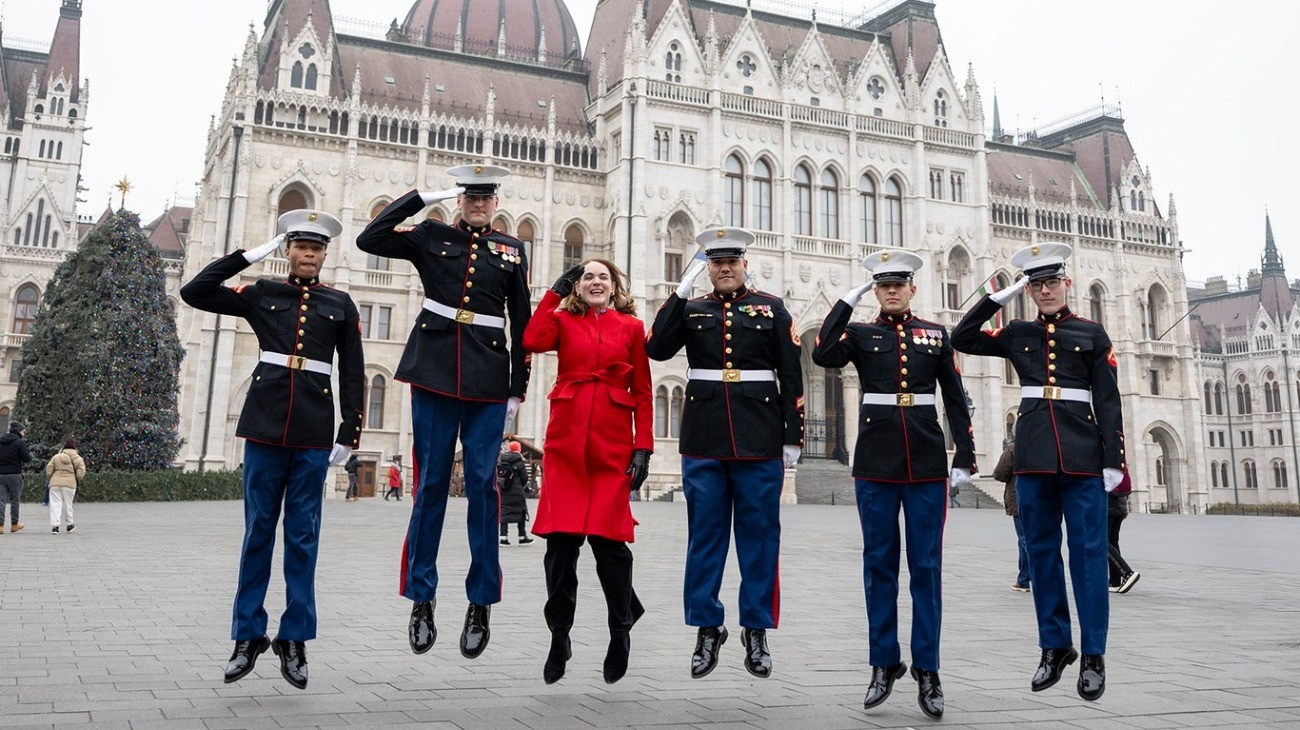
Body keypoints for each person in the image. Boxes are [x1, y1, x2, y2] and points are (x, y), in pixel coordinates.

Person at [180, 209, 364, 690]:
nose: (309, 254)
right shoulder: (262, 293)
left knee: (303, 538)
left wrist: (350, 432)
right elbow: (194, 291)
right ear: (287, 251)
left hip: (313, 432)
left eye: (317, 248)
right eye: (300, 246)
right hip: (263, 426)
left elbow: (354, 371)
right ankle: (247, 636)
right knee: (257, 533)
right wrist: (250, 254)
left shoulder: (341, 304)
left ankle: (295, 638)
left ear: (325, 254)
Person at [357, 163, 532, 661]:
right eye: (469, 196)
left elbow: (521, 321)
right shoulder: (430, 234)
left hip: (487, 380)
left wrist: (517, 388)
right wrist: (422, 195)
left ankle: (481, 603)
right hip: (433, 370)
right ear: (459, 201)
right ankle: (421, 597)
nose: (478, 204)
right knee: (429, 483)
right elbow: (371, 238)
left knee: (483, 486)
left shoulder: (513, 251)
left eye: (485, 197)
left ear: (495, 203)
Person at [952, 242, 1125, 702]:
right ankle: (1054, 646)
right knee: (1043, 556)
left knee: (1088, 557)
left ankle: (1093, 655)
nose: (1045, 291)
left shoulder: (1092, 333)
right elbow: (962, 337)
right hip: (1032, 458)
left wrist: (1113, 462)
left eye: (1051, 282)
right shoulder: (1018, 332)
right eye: (1037, 284)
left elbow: (1108, 401)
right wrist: (1000, 297)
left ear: (1066, 284)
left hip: (1083, 459)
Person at [811, 250, 974, 720]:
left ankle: (929, 670)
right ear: (876, 291)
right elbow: (822, 352)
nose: (892, 291)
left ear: (912, 289)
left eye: (898, 284)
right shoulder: (860, 334)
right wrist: (846, 301)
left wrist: (964, 452)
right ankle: (883, 663)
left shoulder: (936, 336)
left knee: (926, 568)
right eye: (883, 285)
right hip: (876, 464)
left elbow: (955, 398)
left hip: (924, 465)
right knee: (879, 566)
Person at [645, 227, 803, 680]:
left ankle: (756, 630)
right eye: (716, 263)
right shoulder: (693, 309)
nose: (725, 268)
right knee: (705, 540)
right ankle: (706, 627)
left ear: (744, 264)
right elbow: (656, 348)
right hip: (705, 438)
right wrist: (679, 291)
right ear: (708, 268)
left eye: (732, 261)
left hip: (759, 439)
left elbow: (791, 375)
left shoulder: (771, 309)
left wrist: (792, 437)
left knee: (759, 541)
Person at [525, 258, 654, 685]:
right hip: (565, 448)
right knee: (560, 549)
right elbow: (530, 338)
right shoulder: (562, 321)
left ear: (614, 286)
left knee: (609, 547)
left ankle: (621, 629)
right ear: (577, 287)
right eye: (586, 278)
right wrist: (554, 291)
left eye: (603, 277)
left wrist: (643, 448)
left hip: (611, 450)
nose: (595, 282)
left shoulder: (632, 328)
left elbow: (644, 392)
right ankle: (559, 634)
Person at [993, 439, 1032, 593]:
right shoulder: (1041, 443)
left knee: (1024, 539)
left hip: (1019, 497)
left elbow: (1000, 473)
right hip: (1041, 498)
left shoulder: (1013, 448)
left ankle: (1024, 579)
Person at [1108, 470, 1140, 594]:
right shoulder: (1118, 458)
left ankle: (1127, 573)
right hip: (1120, 503)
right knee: (1113, 542)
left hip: (1108, 504)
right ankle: (1115, 582)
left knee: (1101, 541)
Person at [45, 438, 86, 533]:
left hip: (55, 483)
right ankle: (69, 525)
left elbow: (49, 470)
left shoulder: (56, 457)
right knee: (68, 504)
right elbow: (81, 472)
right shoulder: (78, 458)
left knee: (55, 504)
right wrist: (77, 477)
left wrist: (53, 475)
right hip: (69, 484)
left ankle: (55, 526)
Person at [497, 441, 532, 546]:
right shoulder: (519, 462)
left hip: (504, 490)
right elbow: (524, 478)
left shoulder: (502, 460)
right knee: (521, 512)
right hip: (517, 492)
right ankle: (522, 537)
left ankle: (503, 537)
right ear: (518, 449)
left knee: (504, 512)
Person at [0, 420, 32, 533]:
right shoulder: (19, 442)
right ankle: (14, 525)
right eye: (23, 432)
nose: (24, 434)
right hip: (14, 475)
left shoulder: (1, 441)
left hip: (1, 475)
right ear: (18, 431)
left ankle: (0, 526)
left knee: (1, 500)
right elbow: (27, 459)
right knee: (15, 500)